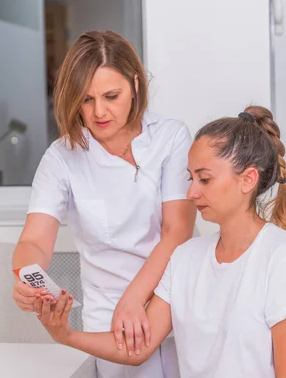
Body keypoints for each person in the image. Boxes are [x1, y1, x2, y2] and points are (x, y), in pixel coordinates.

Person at [35, 106, 286, 378]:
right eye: (190, 177)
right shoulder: (185, 258)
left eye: (204, 179)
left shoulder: (285, 262)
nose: (191, 193)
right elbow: (139, 348)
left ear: (248, 180)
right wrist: (66, 335)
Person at [12, 30, 196, 377]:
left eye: (112, 95)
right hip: (108, 312)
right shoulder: (62, 157)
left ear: (136, 85)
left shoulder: (171, 138)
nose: (99, 112)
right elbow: (34, 240)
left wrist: (135, 298)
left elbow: (177, 230)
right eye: (86, 99)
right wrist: (26, 276)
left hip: (172, 298)